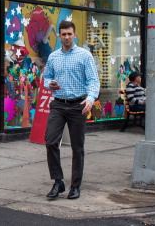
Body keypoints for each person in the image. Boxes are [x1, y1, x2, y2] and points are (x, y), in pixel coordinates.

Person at [42, 20, 100, 200]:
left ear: (74, 35)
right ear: (59, 36)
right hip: (58, 104)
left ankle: (75, 185)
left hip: (78, 105)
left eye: (69, 34)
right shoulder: (53, 57)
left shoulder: (84, 56)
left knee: (77, 147)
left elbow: (93, 80)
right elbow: (47, 77)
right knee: (51, 141)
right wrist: (49, 83)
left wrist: (90, 98)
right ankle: (58, 181)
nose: (66, 37)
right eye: (63, 34)